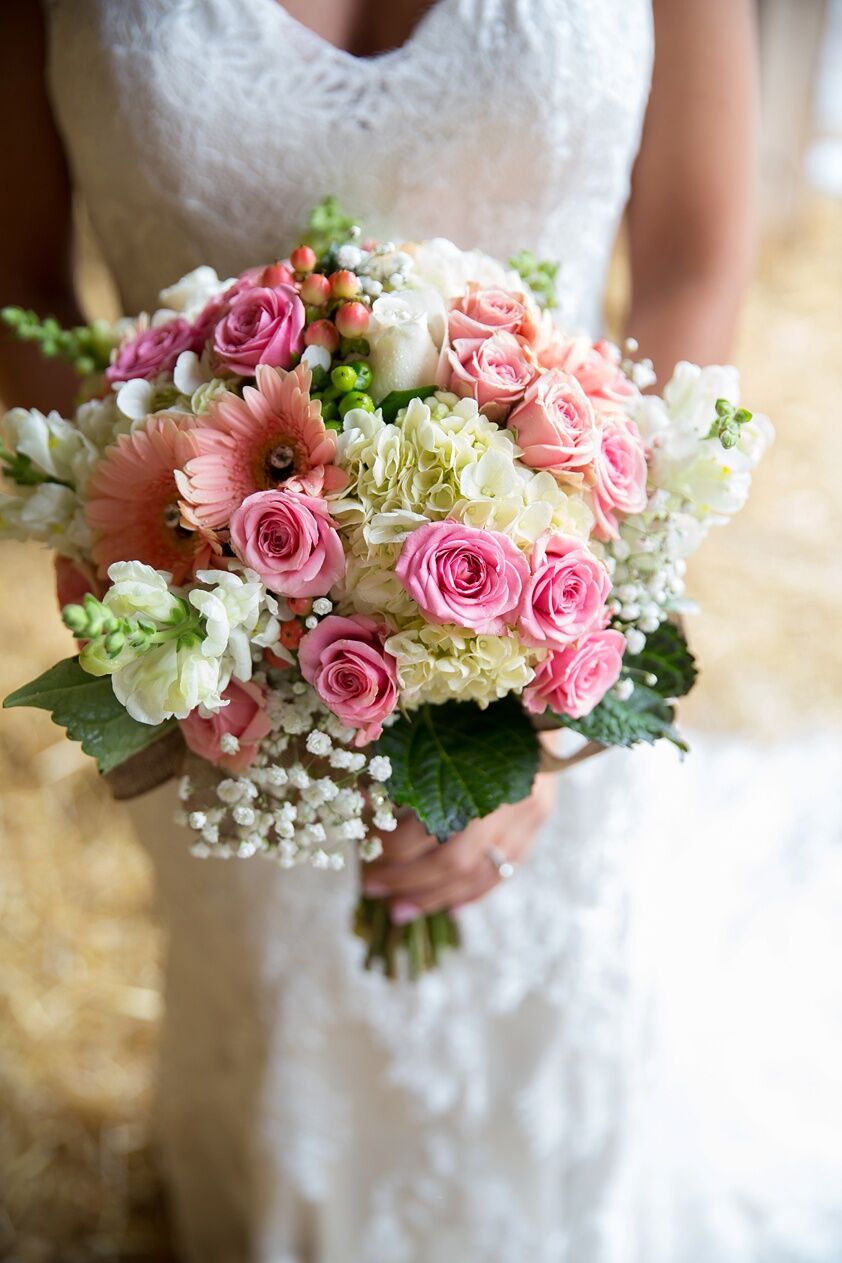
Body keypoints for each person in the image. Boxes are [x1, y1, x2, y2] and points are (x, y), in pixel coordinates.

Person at [0, 3, 761, 1260]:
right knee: (286, 1059)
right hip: (213, 647)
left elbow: (691, 260)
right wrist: (133, 585)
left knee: (539, 1062)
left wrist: (565, 675)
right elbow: (16, 282)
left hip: (563, 611)